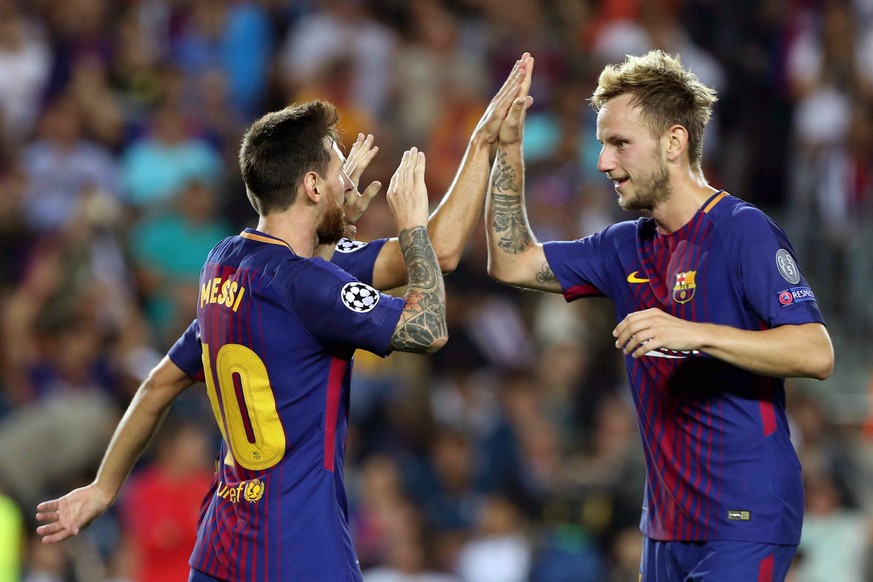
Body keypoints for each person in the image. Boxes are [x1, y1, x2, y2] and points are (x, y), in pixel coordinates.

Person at [35, 54, 533, 581]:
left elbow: (160, 384)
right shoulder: (312, 285)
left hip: (222, 550)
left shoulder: (223, 262)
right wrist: (409, 224)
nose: (350, 182)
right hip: (301, 552)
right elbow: (429, 326)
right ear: (313, 188)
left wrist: (102, 488)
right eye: (340, 171)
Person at [484, 50, 834, 581]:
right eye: (602, 143)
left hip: (744, 513)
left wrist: (693, 333)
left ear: (674, 142)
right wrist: (507, 148)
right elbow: (512, 262)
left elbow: (815, 351)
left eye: (620, 143)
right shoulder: (623, 246)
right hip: (666, 525)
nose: (603, 162)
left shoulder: (742, 230)